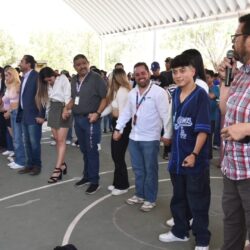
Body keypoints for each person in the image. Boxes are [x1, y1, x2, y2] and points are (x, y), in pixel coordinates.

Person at [159, 54, 211, 250]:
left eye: (183, 70)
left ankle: (202, 239)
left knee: (198, 201)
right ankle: (179, 231)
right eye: (175, 71)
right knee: (178, 198)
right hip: (177, 157)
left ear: (193, 71)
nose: (178, 75)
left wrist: (195, 154)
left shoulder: (200, 96)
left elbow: (203, 130)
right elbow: (174, 123)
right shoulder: (175, 94)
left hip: (194, 159)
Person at [113, 62, 172, 212]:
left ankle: (150, 199)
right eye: (137, 74)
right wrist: (118, 128)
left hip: (151, 138)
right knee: (138, 169)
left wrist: (167, 134)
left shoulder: (159, 92)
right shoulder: (133, 93)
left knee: (150, 170)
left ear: (149, 74)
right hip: (134, 137)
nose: (140, 77)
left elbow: (166, 115)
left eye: (143, 73)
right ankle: (140, 194)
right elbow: (126, 112)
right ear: (134, 76)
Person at [218, 13, 250, 250]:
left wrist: (248, 128)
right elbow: (224, 109)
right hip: (232, 167)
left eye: (237, 36)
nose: (233, 42)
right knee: (232, 224)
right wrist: (225, 81)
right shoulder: (240, 74)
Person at [70, 54, 107, 194]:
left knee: (92, 151)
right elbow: (74, 98)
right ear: (74, 67)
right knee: (84, 150)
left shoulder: (96, 78)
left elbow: (105, 98)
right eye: (78, 64)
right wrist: (66, 109)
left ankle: (94, 181)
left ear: (88, 63)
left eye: (84, 63)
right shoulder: (73, 79)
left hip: (91, 119)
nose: (82, 66)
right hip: (78, 119)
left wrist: (97, 113)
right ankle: (86, 176)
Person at [36, 67, 72, 183]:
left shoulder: (62, 79)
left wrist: (66, 110)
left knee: (61, 140)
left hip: (63, 108)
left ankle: (57, 170)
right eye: (46, 81)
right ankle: (62, 165)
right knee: (57, 139)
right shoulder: (45, 84)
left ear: (53, 74)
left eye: (50, 79)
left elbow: (68, 96)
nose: (48, 82)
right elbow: (47, 100)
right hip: (52, 110)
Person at [17, 55, 45, 176]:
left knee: (34, 143)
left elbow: (42, 96)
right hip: (24, 114)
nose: (20, 63)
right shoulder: (23, 77)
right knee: (26, 142)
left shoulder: (36, 76)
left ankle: (37, 166)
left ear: (28, 64)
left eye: (22, 62)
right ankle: (29, 165)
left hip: (34, 115)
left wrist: (41, 115)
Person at [106, 68, 131, 195]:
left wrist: (118, 130)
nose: (109, 79)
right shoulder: (117, 91)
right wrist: (98, 114)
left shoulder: (122, 91)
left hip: (122, 126)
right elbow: (111, 107)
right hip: (118, 124)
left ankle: (123, 185)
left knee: (118, 156)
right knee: (116, 156)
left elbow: (123, 113)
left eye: (111, 77)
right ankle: (117, 182)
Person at [1, 67, 25, 169]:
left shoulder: (18, 85)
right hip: (11, 113)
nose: (6, 77)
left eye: (8, 75)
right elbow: (6, 101)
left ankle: (21, 161)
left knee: (17, 138)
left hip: (16, 113)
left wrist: (9, 112)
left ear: (13, 75)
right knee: (15, 137)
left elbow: (17, 103)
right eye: (5, 75)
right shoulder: (9, 86)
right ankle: (19, 159)